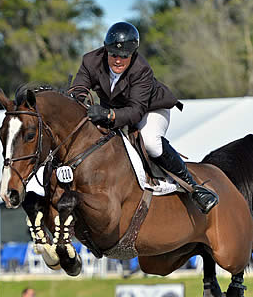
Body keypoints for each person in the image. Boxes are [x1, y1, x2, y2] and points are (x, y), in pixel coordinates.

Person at [72, 21, 218, 214]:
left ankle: (194, 188)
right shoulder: (91, 60)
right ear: (106, 50)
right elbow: (78, 88)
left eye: (124, 56)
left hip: (151, 109)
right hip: (116, 110)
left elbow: (135, 112)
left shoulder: (141, 70)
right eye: (113, 54)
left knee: (150, 142)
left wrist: (108, 114)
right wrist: (81, 101)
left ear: (132, 55)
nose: (118, 60)